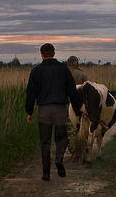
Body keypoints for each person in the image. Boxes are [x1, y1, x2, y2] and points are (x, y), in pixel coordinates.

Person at [25, 43, 84, 180]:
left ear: (41, 54)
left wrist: (29, 111)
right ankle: (59, 159)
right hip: (60, 110)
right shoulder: (63, 69)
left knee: (45, 141)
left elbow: (30, 93)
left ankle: (46, 173)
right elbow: (72, 91)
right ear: (54, 53)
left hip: (44, 110)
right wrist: (79, 106)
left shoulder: (36, 71)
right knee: (61, 138)